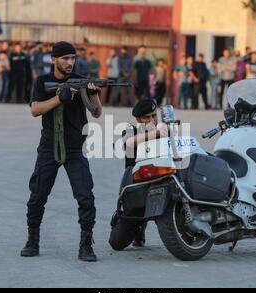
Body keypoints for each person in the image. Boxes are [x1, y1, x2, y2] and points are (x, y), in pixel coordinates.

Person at [21, 41, 102, 262]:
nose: (70, 63)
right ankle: (32, 240)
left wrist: (93, 93)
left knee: (86, 196)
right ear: (54, 59)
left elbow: (96, 113)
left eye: (73, 58)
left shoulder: (81, 80)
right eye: (65, 58)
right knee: (37, 196)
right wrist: (60, 97)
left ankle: (86, 243)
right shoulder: (42, 81)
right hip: (49, 147)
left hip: (75, 149)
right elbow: (35, 110)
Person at [109, 99, 168, 251]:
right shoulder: (131, 131)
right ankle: (138, 227)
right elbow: (128, 143)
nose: (152, 120)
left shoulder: (163, 130)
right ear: (138, 119)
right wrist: (154, 133)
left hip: (164, 187)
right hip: (138, 192)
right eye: (147, 117)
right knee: (117, 241)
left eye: (154, 116)